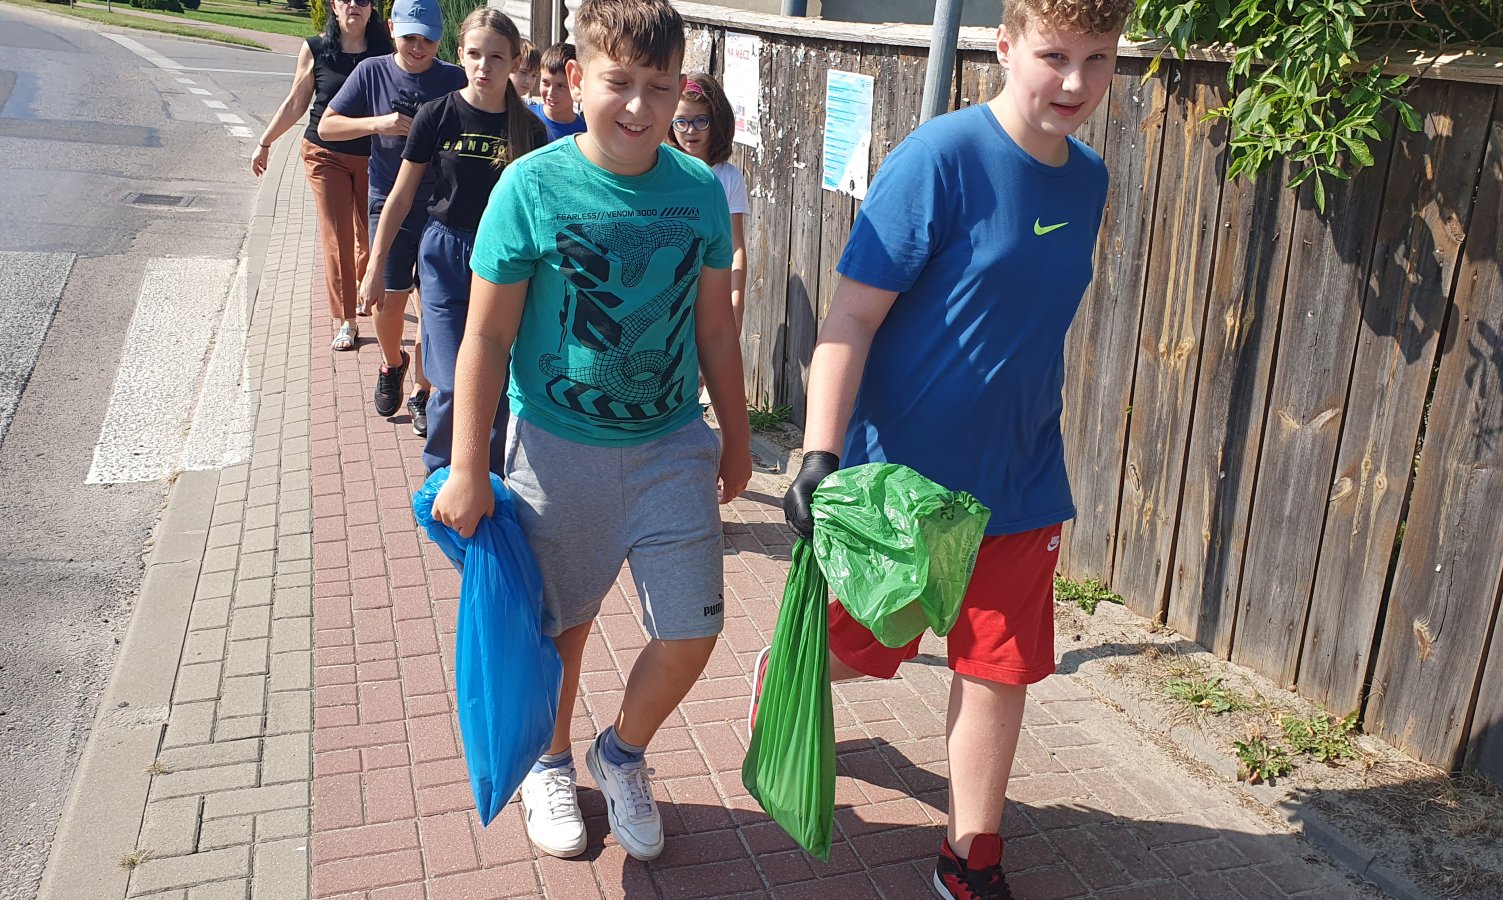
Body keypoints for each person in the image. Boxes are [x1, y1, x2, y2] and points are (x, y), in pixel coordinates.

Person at [774, 0, 1130, 896]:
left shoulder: (1089, 179)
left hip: (1021, 479)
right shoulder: (938, 160)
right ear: (1005, 46)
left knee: (997, 669)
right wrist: (820, 455)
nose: (1077, 81)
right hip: (903, 484)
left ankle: (970, 856)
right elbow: (851, 318)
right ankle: (783, 678)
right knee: (860, 650)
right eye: (1055, 55)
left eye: (1098, 57)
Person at [430, 0, 749, 863]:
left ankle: (623, 753)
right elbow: (486, 336)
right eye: (620, 82)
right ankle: (550, 760)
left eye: (660, 86)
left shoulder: (697, 191)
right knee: (560, 630)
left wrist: (736, 434)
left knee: (692, 629)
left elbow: (716, 329)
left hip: (671, 446)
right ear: (576, 77)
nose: (641, 107)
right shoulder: (530, 188)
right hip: (555, 451)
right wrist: (467, 465)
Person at [361, 7, 544, 475]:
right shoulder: (436, 115)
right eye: (475, 54)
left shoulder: (529, 130)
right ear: (460, 54)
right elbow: (401, 196)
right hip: (444, 254)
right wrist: (375, 265)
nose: (485, 66)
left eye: (497, 57)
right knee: (449, 378)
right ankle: (441, 477)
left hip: (504, 260)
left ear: (515, 61)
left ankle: (491, 480)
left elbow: (540, 211)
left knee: (495, 378)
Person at [319, 0, 466, 432]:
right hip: (388, 202)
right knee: (387, 301)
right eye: (409, 37)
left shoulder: (453, 79)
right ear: (391, 29)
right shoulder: (372, 72)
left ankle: (421, 390)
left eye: (428, 39)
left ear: (441, 38)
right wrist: (378, 123)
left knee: (434, 304)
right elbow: (327, 126)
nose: (418, 47)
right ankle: (392, 362)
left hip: (441, 204)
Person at [251, 0, 392, 352]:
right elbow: (296, 103)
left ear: (372, 9)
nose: (354, 5)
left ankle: (362, 283)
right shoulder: (316, 49)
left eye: (363, 0)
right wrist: (266, 142)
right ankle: (347, 320)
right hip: (324, 155)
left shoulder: (385, 52)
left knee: (370, 237)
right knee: (338, 237)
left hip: (374, 158)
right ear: (333, 5)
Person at [665, 72, 747, 335]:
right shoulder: (662, 172)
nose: (690, 130)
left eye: (701, 121)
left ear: (717, 121)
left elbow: (736, 246)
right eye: (681, 122)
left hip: (713, 293)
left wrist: (736, 301)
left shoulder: (729, 178)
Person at [530, 43, 586, 142]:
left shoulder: (584, 133)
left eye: (560, 86)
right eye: (545, 82)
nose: (551, 93)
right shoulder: (525, 117)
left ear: (576, 86)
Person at [512, 39, 540, 106]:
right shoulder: (493, 105)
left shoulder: (530, 107)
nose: (528, 81)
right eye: (523, 72)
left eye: (534, 75)